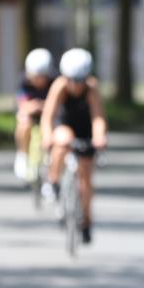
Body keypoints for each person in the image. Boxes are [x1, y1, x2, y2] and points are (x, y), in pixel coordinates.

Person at [39, 48, 108, 244]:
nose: (75, 85)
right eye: (71, 80)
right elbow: (48, 116)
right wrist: (46, 136)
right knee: (61, 141)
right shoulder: (59, 86)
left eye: (79, 80)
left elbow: (98, 118)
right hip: (65, 124)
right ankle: (53, 180)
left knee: (86, 180)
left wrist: (100, 137)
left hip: (85, 128)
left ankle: (86, 220)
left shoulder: (92, 88)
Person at [13, 48, 54, 180]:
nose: (37, 80)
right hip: (32, 116)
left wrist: (41, 105)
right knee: (23, 122)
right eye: (34, 76)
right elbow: (23, 105)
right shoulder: (24, 83)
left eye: (41, 76)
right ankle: (22, 155)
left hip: (50, 117)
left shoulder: (55, 82)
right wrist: (35, 106)